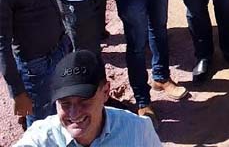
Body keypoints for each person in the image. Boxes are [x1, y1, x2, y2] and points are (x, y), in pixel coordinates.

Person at [14, 49, 162, 146]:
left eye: (84, 101)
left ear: (105, 92)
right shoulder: (42, 138)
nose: (74, 113)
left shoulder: (138, 130)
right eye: (65, 103)